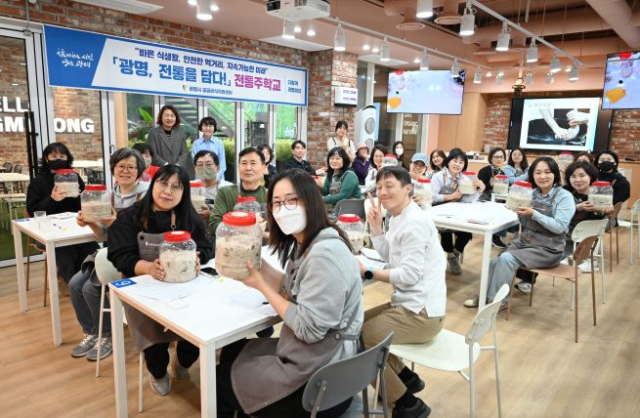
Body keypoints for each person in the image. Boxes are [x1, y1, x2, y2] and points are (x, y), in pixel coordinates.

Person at [216, 169, 363, 418]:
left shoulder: (324, 256)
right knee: (233, 350)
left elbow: (308, 330)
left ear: (311, 201)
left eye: (291, 200)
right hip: (318, 360)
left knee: (218, 382)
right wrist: (254, 264)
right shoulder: (309, 242)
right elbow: (288, 289)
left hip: (321, 383)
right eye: (276, 203)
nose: (283, 210)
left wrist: (261, 285)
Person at [107, 164, 213, 396]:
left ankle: (183, 362)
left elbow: (206, 248)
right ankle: (157, 372)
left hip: (184, 284)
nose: (167, 191)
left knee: (198, 329)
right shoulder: (131, 217)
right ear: (153, 184)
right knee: (154, 340)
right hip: (142, 288)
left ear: (184, 192)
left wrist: (197, 257)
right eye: (163, 183)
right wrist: (148, 267)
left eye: (176, 187)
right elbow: (119, 256)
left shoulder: (189, 217)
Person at [360, 166, 446, 418]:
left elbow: (409, 275)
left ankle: (408, 405)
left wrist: (368, 272)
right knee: (355, 326)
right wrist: (376, 228)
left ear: (408, 188)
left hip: (421, 313)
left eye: (389, 186)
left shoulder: (414, 222)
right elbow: (392, 256)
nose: (382, 192)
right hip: (409, 304)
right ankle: (405, 377)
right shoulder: (398, 216)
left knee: (359, 340)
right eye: (379, 187)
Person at [69, 148, 148, 361]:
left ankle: (106, 336)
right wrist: (89, 223)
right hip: (109, 252)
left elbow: (146, 235)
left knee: (90, 288)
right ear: (113, 169)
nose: (125, 171)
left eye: (131, 167)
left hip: (135, 254)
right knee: (74, 285)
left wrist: (117, 223)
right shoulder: (108, 195)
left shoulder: (146, 195)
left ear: (139, 170)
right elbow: (103, 235)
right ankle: (91, 332)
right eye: (121, 166)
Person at [464, 156, 575, 306]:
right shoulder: (532, 193)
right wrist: (518, 211)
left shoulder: (564, 197)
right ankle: (483, 296)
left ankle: (496, 302)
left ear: (555, 174)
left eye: (547, 172)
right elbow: (525, 223)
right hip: (526, 242)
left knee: (506, 259)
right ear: (532, 175)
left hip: (548, 249)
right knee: (494, 262)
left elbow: (559, 227)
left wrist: (534, 213)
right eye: (538, 173)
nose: (542, 176)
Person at [26, 142, 99, 286]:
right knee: (66, 252)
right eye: (54, 156)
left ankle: (91, 285)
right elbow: (33, 211)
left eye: (62, 156)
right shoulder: (38, 182)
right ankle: (71, 283)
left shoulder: (74, 177)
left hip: (76, 227)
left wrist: (79, 197)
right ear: (46, 159)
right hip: (48, 231)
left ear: (68, 158)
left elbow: (85, 206)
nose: (58, 159)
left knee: (91, 249)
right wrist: (52, 199)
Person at [430, 148, 485, 275]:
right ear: (448, 162)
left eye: (461, 162)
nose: (457, 164)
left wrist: (479, 190)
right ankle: (450, 254)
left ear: (464, 165)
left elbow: (467, 199)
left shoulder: (465, 179)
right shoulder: (438, 176)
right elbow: (432, 197)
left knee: (467, 231)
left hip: (457, 213)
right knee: (446, 230)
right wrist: (451, 196)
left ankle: (454, 254)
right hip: (438, 212)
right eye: (455, 161)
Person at [563, 161, 612, 269]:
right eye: (573, 176)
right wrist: (578, 207)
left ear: (590, 176)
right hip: (567, 237)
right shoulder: (565, 192)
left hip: (585, 239)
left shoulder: (600, 194)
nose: (577, 180)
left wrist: (605, 210)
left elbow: (606, 224)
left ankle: (582, 259)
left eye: (582, 175)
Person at [209, 147, 267, 234]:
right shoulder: (225, 192)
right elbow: (214, 224)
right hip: (233, 242)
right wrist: (243, 230)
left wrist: (263, 234)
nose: (248, 168)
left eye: (253, 163)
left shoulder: (271, 195)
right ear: (238, 167)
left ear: (263, 168)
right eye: (244, 163)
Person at [478, 148, 517, 249]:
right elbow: (478, 188)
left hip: (497, 199)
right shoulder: (485, 171)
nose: (499, 159)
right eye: (496, 157)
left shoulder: (502, 172)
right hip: (484, 200)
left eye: (501, 157)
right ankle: (494, 238)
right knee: (498, 210)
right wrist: (491, 183)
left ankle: (500, 235)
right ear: (491, 158)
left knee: (508, 208)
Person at [146, 105, 194, 179]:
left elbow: (184, 153)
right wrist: (166, 165)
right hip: (160, 172)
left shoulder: (180, 133)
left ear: (176, 118)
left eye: (172, 116)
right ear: (161, 117)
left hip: (177, 172)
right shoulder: (153, 133)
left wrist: (177, 165)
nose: (169, 118)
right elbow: (152, 154)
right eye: (166, 115)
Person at [193, 150, 232, 228]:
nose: (204, 168)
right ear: (195, 169)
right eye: (200, 165)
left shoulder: (228, 188)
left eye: (208, 164)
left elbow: (233, 214)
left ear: (218, 168)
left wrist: (211, 214)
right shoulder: (190, 187)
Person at [190, 116, 227, 182]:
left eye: (210, 126)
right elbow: (195, 162)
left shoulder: (219, 143)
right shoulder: (196, 144)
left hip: (217, 179)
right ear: (201, 127)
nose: (208, 128)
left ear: (214, 128)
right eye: (205, 126)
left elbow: (222, 164)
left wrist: (215, 177)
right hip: (200, 179)